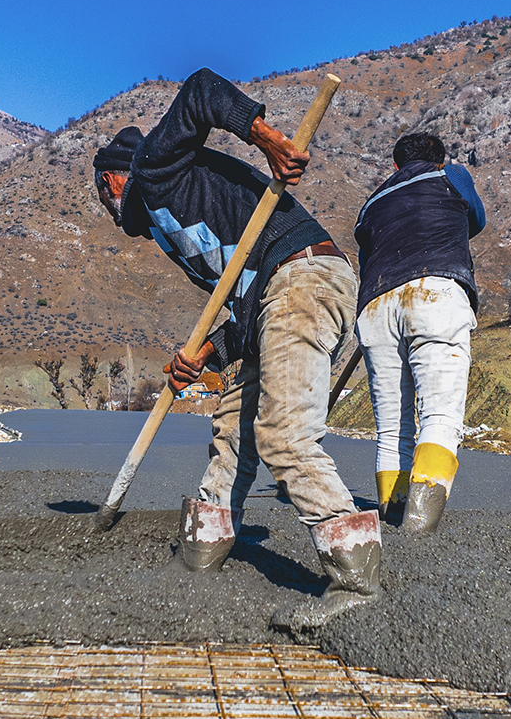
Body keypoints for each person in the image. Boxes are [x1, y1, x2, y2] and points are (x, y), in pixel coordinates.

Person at [92, 68, 378, 631]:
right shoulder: (181, 216)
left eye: (103, 187)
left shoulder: (154, 172)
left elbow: (199, 90)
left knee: (282, 433)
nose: (105, 200)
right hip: (278, 292)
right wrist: (206, 353)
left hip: (302, 280)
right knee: (232, 427)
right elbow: (247, 308)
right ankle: (204, 546)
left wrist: (268, 140)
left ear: (113, 181)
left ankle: (357, 578)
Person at [351, 131, 486, 533]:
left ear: (395, 166)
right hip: (435, 291)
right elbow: (475, 219)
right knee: (440, 413)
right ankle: (419, 526)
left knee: (392, 424)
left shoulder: (370, 203)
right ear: (440, 159)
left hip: (375, 305)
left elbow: (367, 256)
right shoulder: (452, 176)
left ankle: (392, 512)